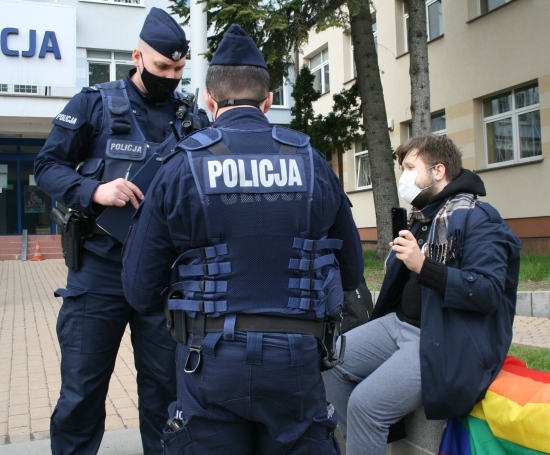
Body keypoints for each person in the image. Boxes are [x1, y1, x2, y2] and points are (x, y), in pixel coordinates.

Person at [122, 24, 364, 454]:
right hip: (297, 362)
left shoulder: (181, 167)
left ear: (210, 101)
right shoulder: (312, 161)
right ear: (268, 101)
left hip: (208, 362)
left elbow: (139, 289)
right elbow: (352, 272)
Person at [34, 8, 208, 454]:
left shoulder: (190, 119)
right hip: (98, 274)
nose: (171, 76)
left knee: (165, 395)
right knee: (82, 394)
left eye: (179, 68)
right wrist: (95, 190)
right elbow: (46, 168)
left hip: (161, 278)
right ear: (137, 56)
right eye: (162, 67)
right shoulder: (93, 103)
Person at [322, 135, 522, 455]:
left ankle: (368, 429)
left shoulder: (479, 220)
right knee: (328, 362)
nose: (403, 178)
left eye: (410, 168)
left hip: (441, 337)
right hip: (398, 325)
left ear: (438, 170)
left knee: (365, 404)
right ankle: (367, 439)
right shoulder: (426, 217)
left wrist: (423, 266)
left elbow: (488, 292)